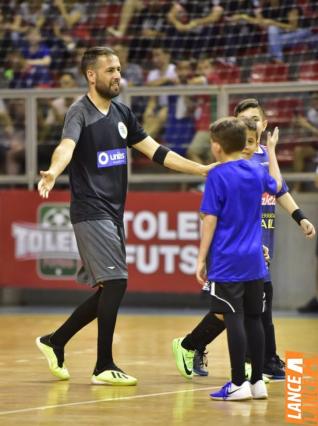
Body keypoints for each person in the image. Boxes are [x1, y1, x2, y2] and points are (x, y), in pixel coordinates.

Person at [36, 46, 211, 386]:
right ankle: (103, 365)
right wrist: (54, 171)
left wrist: (202, 169)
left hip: (113, 214)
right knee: (116, 282)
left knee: (109, 287)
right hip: (90, 209)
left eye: (119, 69)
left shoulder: (122, 113)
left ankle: (55, 341)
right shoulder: (79, 112)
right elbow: (66, 147)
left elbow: (158, 152)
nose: (118, 75)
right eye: (110, 70)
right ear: (91, 75)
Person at [173, 98, 316, 380]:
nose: (251, 124)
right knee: (244, 307)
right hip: (238, 247)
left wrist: (300, 216)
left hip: (259, 243)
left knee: (242, 308)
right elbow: (209, 214)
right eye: (245, 120)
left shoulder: (264, 159)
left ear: (264, 124)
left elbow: (279, 190)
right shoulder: (227, 164)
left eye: (255, 119)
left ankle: (205, 349)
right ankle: (259, 363)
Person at [173, 116, 282, 401]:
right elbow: (278, 185)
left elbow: (209, 219)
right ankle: (257, 382)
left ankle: (237, 383)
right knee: (255, 319)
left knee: (234, 318)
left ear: (219, 147)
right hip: (255, 260)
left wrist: (200, 259)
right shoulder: (255, 172)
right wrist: (271, 151)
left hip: (227, 261)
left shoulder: (218, 175)